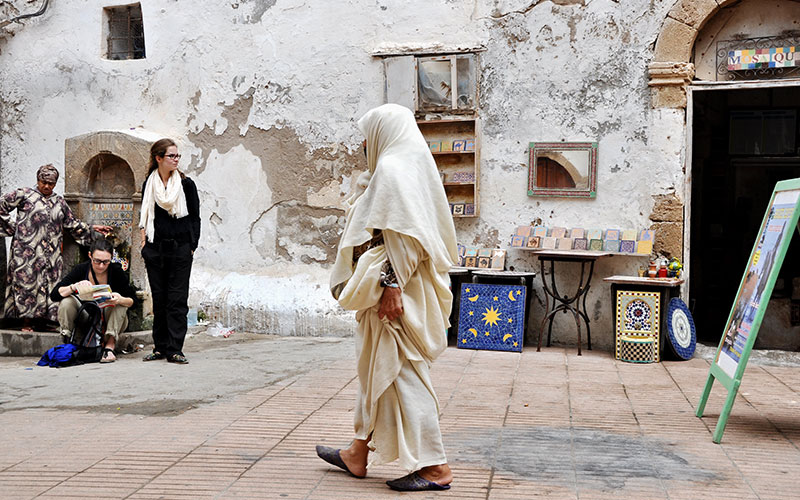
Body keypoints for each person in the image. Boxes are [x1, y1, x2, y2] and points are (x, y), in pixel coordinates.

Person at [317, 104, 458, 491]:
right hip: (386, 290)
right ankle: (357, 453)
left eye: (368, 134)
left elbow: (408, 242)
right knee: (375, 371)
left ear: (384, 130)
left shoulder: (395, 170)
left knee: (406, 376)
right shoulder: (402, 165)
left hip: (397, 295)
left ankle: (435, 467)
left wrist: (392, 288)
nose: (364, 143)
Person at [0, 164, 110, 331]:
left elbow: (72, 224)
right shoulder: (24, 195)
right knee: (26, 284)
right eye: (43, 182)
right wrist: (14, 227)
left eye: (50, 183)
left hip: (51, 254)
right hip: (25, 252)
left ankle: (45, 321)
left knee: (50, 284)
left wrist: (93, 229)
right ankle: (26, 322)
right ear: (38, 180)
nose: (46, 186)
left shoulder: (59, 202)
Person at [138, 138, 200, 365]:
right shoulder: (149, 184)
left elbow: (195, 217)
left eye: (177, 156)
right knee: (160, 299)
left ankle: (175, 349)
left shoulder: (186, 185)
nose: (176, 160)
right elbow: (144, 216)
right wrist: (144, 245)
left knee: (177, 300)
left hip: (180, 250)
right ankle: (160, 347)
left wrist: (192, 246)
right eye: (171, 156)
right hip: (155, 250)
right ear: (158, 158)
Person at [51, 238, 136, 363]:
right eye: (97, 261)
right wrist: (73, 287)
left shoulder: (116, 271)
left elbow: (133, 301)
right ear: (90, 256)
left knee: (120, 303)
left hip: (110, 320)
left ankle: (109, 347)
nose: (101, 266)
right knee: (67, 301)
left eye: (106, 262)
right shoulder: (81, 269)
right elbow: (54, 295)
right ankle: (67, 340)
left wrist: (120, 299)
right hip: (86, 318)